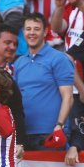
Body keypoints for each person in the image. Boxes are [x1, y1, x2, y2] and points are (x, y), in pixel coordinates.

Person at [14, 13, 74, 149]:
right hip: (24, 134)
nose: (32, 33)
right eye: (28, 29)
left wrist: (59, 125)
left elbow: (68, 97)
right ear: (23, 32)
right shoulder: (19, 63)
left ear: (45, 31)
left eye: (36, 29)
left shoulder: (59, 59)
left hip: (51, 133)